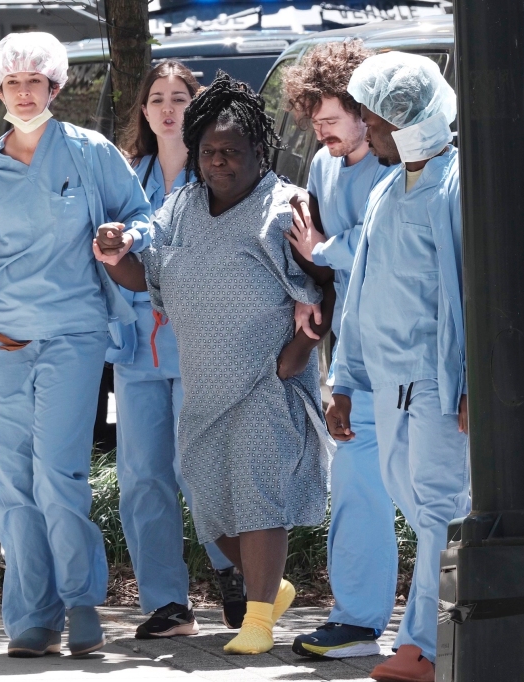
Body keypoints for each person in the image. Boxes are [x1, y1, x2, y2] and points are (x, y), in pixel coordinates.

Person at [94, 72, 335, 655]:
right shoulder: (181, 207)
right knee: (209, 507)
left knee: (257, 496)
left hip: (263, 379)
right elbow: (145, 276)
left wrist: (293, 359)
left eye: (232, 151)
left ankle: (257, 620)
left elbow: (323, 290)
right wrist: (111, 256)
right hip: (203, 383)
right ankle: (267, 587)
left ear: (260, 152)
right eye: (209, 152)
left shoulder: (287, 207)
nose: (220, 161)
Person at [0, 32, 151, 658]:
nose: (24, 92)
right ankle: (31, 615)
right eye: (12, 83)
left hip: (73, 334)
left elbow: (144, 217)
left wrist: (123, 234)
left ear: (55, 86)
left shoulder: (89, 152)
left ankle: (78, 602)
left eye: (35, 82)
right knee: (8, 481)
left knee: (58, 474)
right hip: (2, 339)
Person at [327, 51, 470, 682]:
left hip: (437, 385)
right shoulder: (389, 187)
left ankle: (426, 647)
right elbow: (361, 297)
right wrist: (345, 382)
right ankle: (440, 638)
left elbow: (472, 295)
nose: (367, 128)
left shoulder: (455, 188)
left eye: (375, 118)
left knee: (440, 510)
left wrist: (473, 385)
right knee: (419, 510)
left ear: (408, 122)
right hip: (389, 384)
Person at [109, 60, 247, 638]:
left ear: (198, 109)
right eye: (157, 98)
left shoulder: (218, 170)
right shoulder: (123, 176)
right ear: (143, 110)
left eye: (181, 98)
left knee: (203, 469)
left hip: (201, 344)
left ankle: (238, 581)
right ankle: (169, 604)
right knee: (142, 476)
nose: (169, 108)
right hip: (137, 348)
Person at [278, 40, 404, 660]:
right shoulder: (326, 166)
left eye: (330, 120)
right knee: (355, 485)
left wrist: (326, 251)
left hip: (407, 355)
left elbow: (390, 260)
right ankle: (357, 621)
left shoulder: (397, 164)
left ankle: (433, 634)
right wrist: (310, 289)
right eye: (315, 122)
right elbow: (317, 254)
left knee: (426, 499)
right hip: (354, 358)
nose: (321, 133)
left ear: (364, 109)